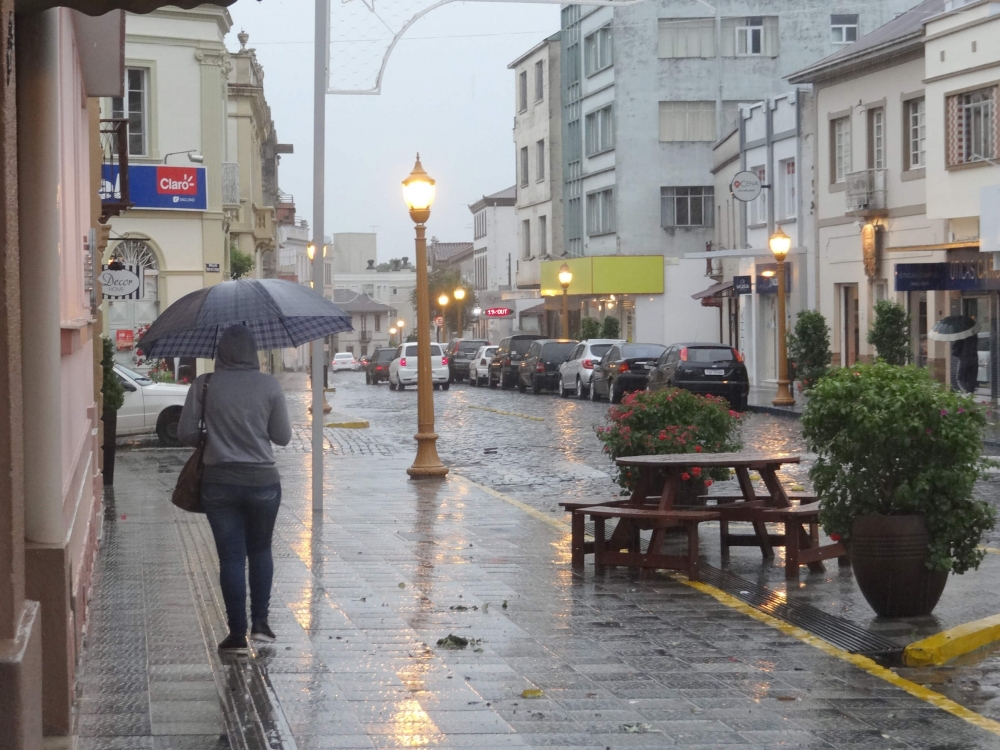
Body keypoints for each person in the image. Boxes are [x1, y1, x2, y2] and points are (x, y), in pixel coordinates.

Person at [178, 326, 292, 653]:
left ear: (220, 351)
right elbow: (282, 436)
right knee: (260, 551)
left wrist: (211, 433)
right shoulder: (269, 385)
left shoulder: (205, 384)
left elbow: (185, 433)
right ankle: (260, 625)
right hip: (263, 483)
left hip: (219, 483)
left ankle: (236, 636)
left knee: (230, 558)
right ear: (253, 351)